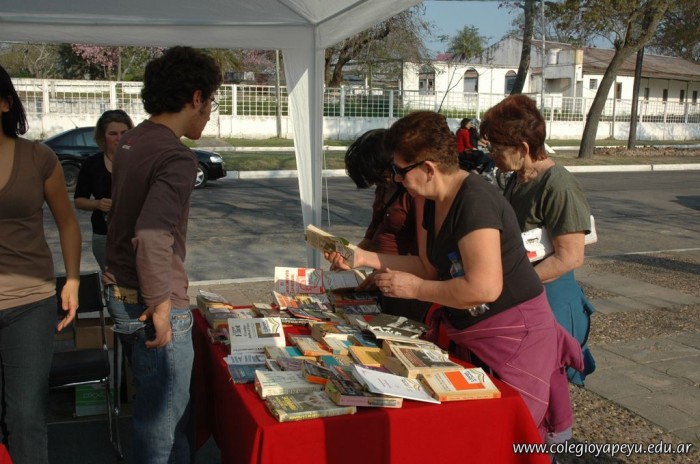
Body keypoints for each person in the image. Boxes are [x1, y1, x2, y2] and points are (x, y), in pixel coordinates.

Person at [326, 110, 583, 443]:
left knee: (506, 437)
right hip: (473, 330)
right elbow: (427, 265)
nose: (398, 180)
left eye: (401, 171)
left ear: (428, 168)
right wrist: (361, 257)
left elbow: (483, 288)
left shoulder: (475, 201)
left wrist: (417, 289)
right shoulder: (433, 199)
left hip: (512, 336)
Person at [103, 47, 221, 464]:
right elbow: (151, 235)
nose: (209, 113)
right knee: (164, 428)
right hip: (151, 300)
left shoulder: (133, 139)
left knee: (161, 416)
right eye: (211, 102)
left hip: (123, 293)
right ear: (196, 97)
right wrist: (161, 304)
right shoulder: (176, 156)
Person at [480, 94, 596, 386]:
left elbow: (570, 257)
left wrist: (514, 285)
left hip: (550, 303)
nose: (491, 155)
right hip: (525, 297)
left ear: (523, 148)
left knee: (545, 386)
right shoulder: (517, 178)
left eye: (496, 148)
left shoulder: (559, 185)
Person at [0, 65, 81, 464]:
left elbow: (68, 223)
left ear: (5, 103)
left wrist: (72, 281)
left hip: (30, 303)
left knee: (26, 416)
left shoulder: (37, 157)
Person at [343, 128, 430, 322]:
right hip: (382, 279)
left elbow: (421, 255)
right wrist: (349, 255)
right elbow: (374, 229)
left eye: (380, 176)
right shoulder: (384, 188)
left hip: (404, 284)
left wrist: (379, 270)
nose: (379, 184)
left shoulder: (413, 192)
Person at [74, 109, 134, 272]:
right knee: (111, 280)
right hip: (104, 234)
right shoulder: (92, 164)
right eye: (113, 134)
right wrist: (97, 204)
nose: (119, 138)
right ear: (102, 137)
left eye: (124, 133)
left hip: (135, 234)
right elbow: (79, 200)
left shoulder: (139, 161)